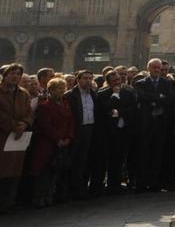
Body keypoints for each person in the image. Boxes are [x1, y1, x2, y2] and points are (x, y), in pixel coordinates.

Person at [30, 77, 73, 207]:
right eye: (58, 89)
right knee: (44, 170)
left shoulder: (66, 104)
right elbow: (45, 126)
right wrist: (57, 139)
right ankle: (39, 197)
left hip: (64, 141)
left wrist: (68, 138)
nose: (61, 91)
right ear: (51, 90)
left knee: (58, 170)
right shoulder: (44, 106)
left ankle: (51, 196)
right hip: (48, 143)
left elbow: (71, 122)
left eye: (62, 88)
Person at [134, 58, 175, 192]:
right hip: (145, 125)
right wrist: (159, 98)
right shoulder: (140, 83)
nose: (157, 70)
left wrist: (152, 99)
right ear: (149, 68)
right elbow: (141, 97)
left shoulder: (167, 83)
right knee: (143, 154)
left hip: (161, 125)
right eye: (154, 67)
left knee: (158, 154)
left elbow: (168, 100)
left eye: (159, 68)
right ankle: (141, 183)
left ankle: (155, 183)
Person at [95, 70, 136, 193]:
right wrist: (114, 95)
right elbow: (105, 109)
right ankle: (107, 184)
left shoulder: (128, 92)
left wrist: (118, 112)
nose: (118, 82)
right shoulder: (102, 93)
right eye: (114, 81)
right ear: (108, 82)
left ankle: (117, 184)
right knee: (108, 158)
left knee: (120, 158)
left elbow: (132, 109)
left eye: (119, 80)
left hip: (124, 130)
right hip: (108, 132)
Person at [65, 69, 104, 198]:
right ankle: (71, 189)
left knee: (86, 160)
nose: (88, 81)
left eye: (90, 78)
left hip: (90, 130)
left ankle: (81, 188)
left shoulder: (93, 94)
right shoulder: (70, 95)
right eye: (85, 78)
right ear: (78, 80)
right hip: (77, 131)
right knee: (75, 161)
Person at [0, 64, 33, 212]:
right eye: (12, 73)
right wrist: (14, 125)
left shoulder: (23, 93)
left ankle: (10, 202)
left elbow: (29, 112)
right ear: (4, 75)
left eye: (18, 73)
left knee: (15, 171)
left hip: (18, 138)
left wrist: (25, 123)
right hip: (3, 135)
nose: (15, 76)